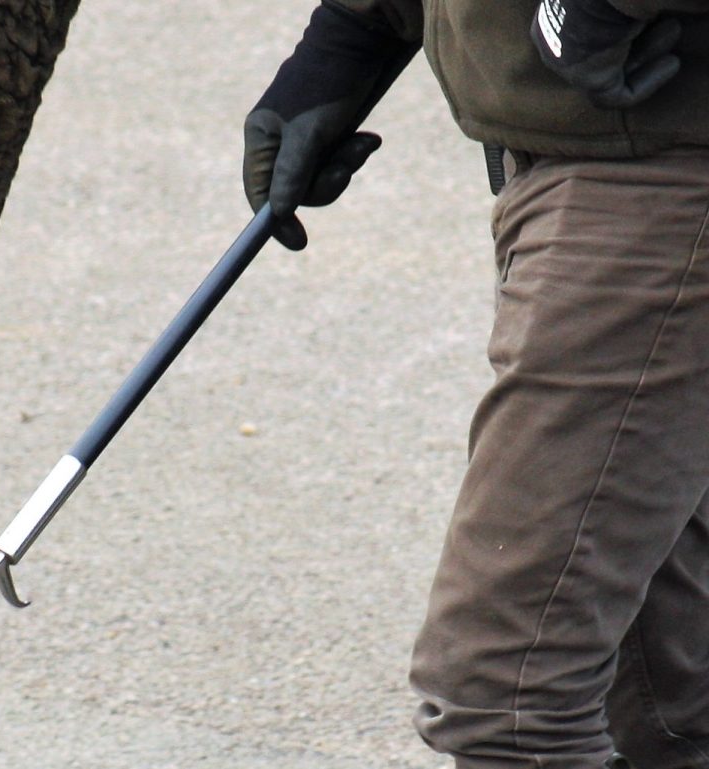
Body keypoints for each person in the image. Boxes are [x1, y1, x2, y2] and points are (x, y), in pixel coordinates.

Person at [242, 1, 709, 768]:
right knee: (665, 697)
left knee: (509, 699)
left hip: (656, 168)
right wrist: (349, 38)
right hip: (586, 155)